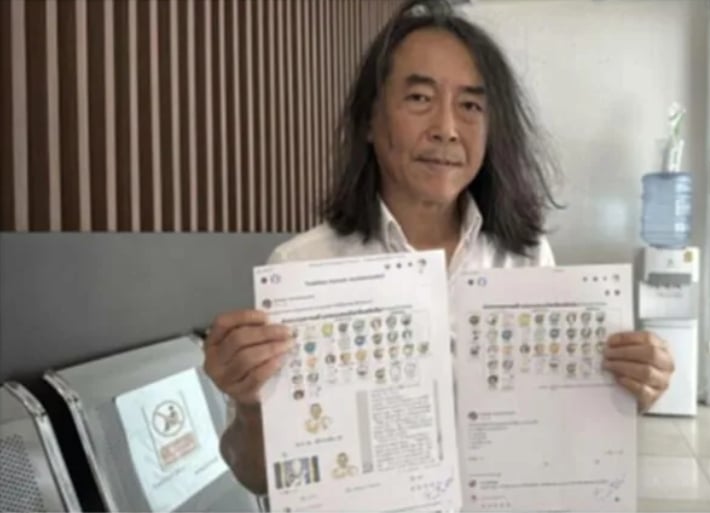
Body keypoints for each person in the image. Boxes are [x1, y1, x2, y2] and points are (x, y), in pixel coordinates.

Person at [203, 0, 675, 494]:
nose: (446, 129)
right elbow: (258, 477)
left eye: (471, 106)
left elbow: (555, 438)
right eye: (419, 98)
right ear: (369, 120)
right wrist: (252, 406)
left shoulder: (525, 258)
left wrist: (622, 394)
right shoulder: (302, 267)